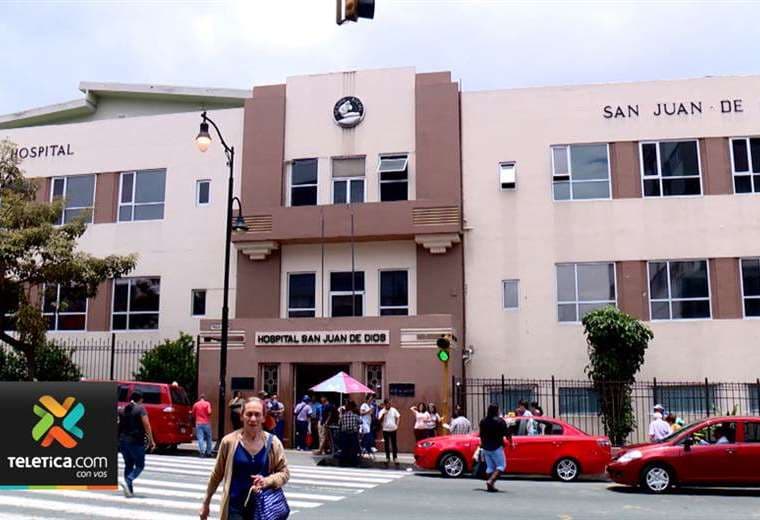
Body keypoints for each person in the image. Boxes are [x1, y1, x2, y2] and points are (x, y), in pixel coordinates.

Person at [199, 397, 289, 520]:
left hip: (263, 510)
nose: (253, 419)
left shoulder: (273, 443)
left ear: (263, 418)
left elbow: (284, 473)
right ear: (242, 416)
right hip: (234, 509)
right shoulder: (229, 442)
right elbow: (216, 474)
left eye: (257, 414)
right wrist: (206, 502)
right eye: (249, 414)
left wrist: (267, 481)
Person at [118, 390, 155, 498]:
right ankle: (129, 479)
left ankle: (129, 491)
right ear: (141, 399)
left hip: (123, 441)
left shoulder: (122, 409)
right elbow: (147, 425)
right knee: (140, 465)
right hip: (136, 441)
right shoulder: (140, 409)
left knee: (128, 464)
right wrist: (151, 440)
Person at [479, 403, 511, 492]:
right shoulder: (500, 421)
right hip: (496, 446)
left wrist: (482, 444)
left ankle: (490, 486)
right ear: (496, 411)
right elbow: (507, 433)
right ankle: (491, 481)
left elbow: (481, 434)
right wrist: (511, 442)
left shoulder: (483, 421)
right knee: (501, 466)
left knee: (490, 467)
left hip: (486, 447)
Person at [378, 399, 400, 467]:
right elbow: (379, 420)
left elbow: (398, 416)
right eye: (388, 403)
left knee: (394, 444)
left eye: (390, 403)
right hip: (385, 430)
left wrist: (397, 425)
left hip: (393, 429)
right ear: (385, 404)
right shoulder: (382, 411)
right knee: (386, 445)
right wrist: (383, 414)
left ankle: (395, 458)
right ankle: (387, 458)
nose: (389, 405)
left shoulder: (393, 410)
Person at [338, 400, 361, 466]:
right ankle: (353, 462)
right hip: (353, 434)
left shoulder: (343, 416)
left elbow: (339, 423)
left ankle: (343, 461)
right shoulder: (355, 416)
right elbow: (360, 422)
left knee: (344, 448)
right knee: (354, 448)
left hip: (345, 434)